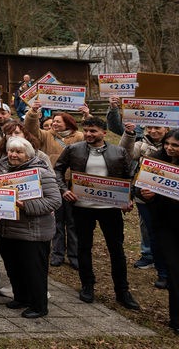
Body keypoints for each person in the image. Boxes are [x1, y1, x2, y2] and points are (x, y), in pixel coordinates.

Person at [55, 116, 140, 310]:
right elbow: (58, 170)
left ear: (103, 133)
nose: (88, 134)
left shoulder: (118, 152)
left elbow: (129, 178)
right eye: (86, 130)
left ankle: (122, 291)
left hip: (110, 209)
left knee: (116, 250)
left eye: (93, 131)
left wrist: (128, 199)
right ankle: (87, 285)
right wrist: (64, 190)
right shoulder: (73, 149)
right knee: (83, 247)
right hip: (82, 207)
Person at [0, 136, 60, 318]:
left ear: (28, 154)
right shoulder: (2, 170)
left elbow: (54, 201)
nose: (13, 155)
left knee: (34, 270)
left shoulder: (42, 173)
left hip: (33, 231)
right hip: (7, 229)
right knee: (14, 267)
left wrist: (26, 206)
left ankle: (39, 306)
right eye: (11, 151)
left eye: (18, 152)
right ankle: (21, 297)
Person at [139, 129, 179, 334]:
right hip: (166, 225)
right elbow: (141, 188)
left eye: (175, 145)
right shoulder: (156, 162)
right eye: (167, 144)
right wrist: (147, 194)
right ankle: (176, 318)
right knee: (174, 270)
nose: (169, 148)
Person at [121, 121, 168, 286]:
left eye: (158, 128)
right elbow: (125, 154)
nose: (153, 131)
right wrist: (129, 135)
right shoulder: (141, 145)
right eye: (150, 128)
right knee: (153, 232)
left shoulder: (172, 147)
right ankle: (162, 272)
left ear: (167, 128)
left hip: (170, 199)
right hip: (145, 197)